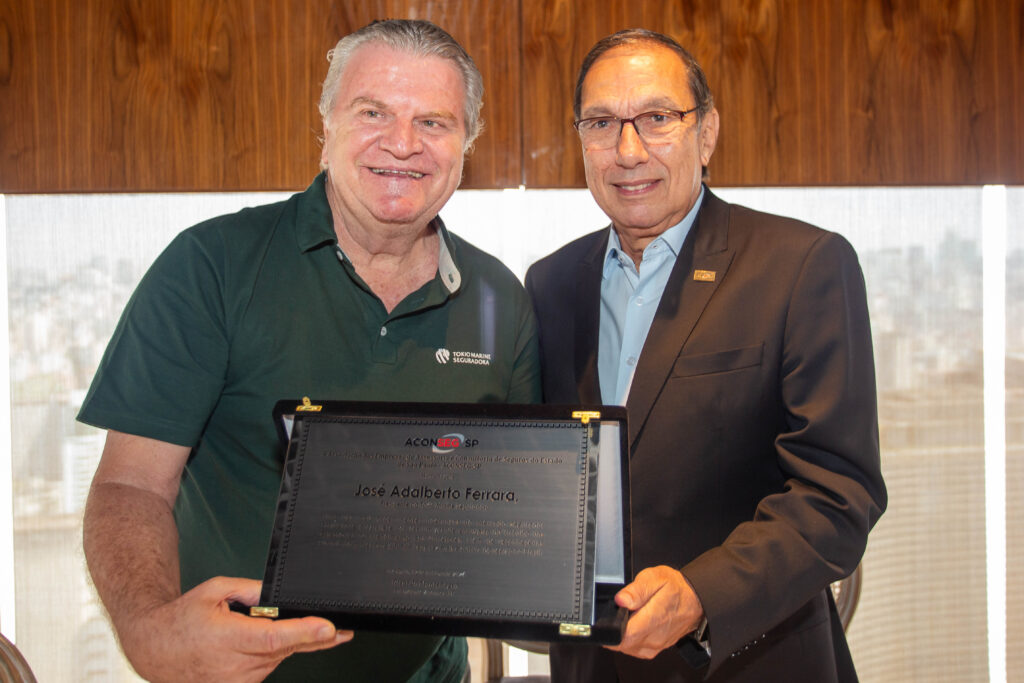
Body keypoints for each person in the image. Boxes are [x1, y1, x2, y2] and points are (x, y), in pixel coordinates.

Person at [80, 19, 540, 683]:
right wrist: (148, 627)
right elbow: (131, 484)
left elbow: (516, 510)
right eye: (373, 112)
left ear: (466, 143)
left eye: (434, 122)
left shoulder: (500, 298)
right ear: (326, 125)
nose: (402, 143)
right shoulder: (211, 266)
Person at [525, 29, 887, 682]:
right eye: (601, 123)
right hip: (591, 665)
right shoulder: (549, 282)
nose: (628, 150)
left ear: (707, 132)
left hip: (751, 659)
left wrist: (701, 595)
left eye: (657, 118)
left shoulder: (801, 266)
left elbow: (838, 494)